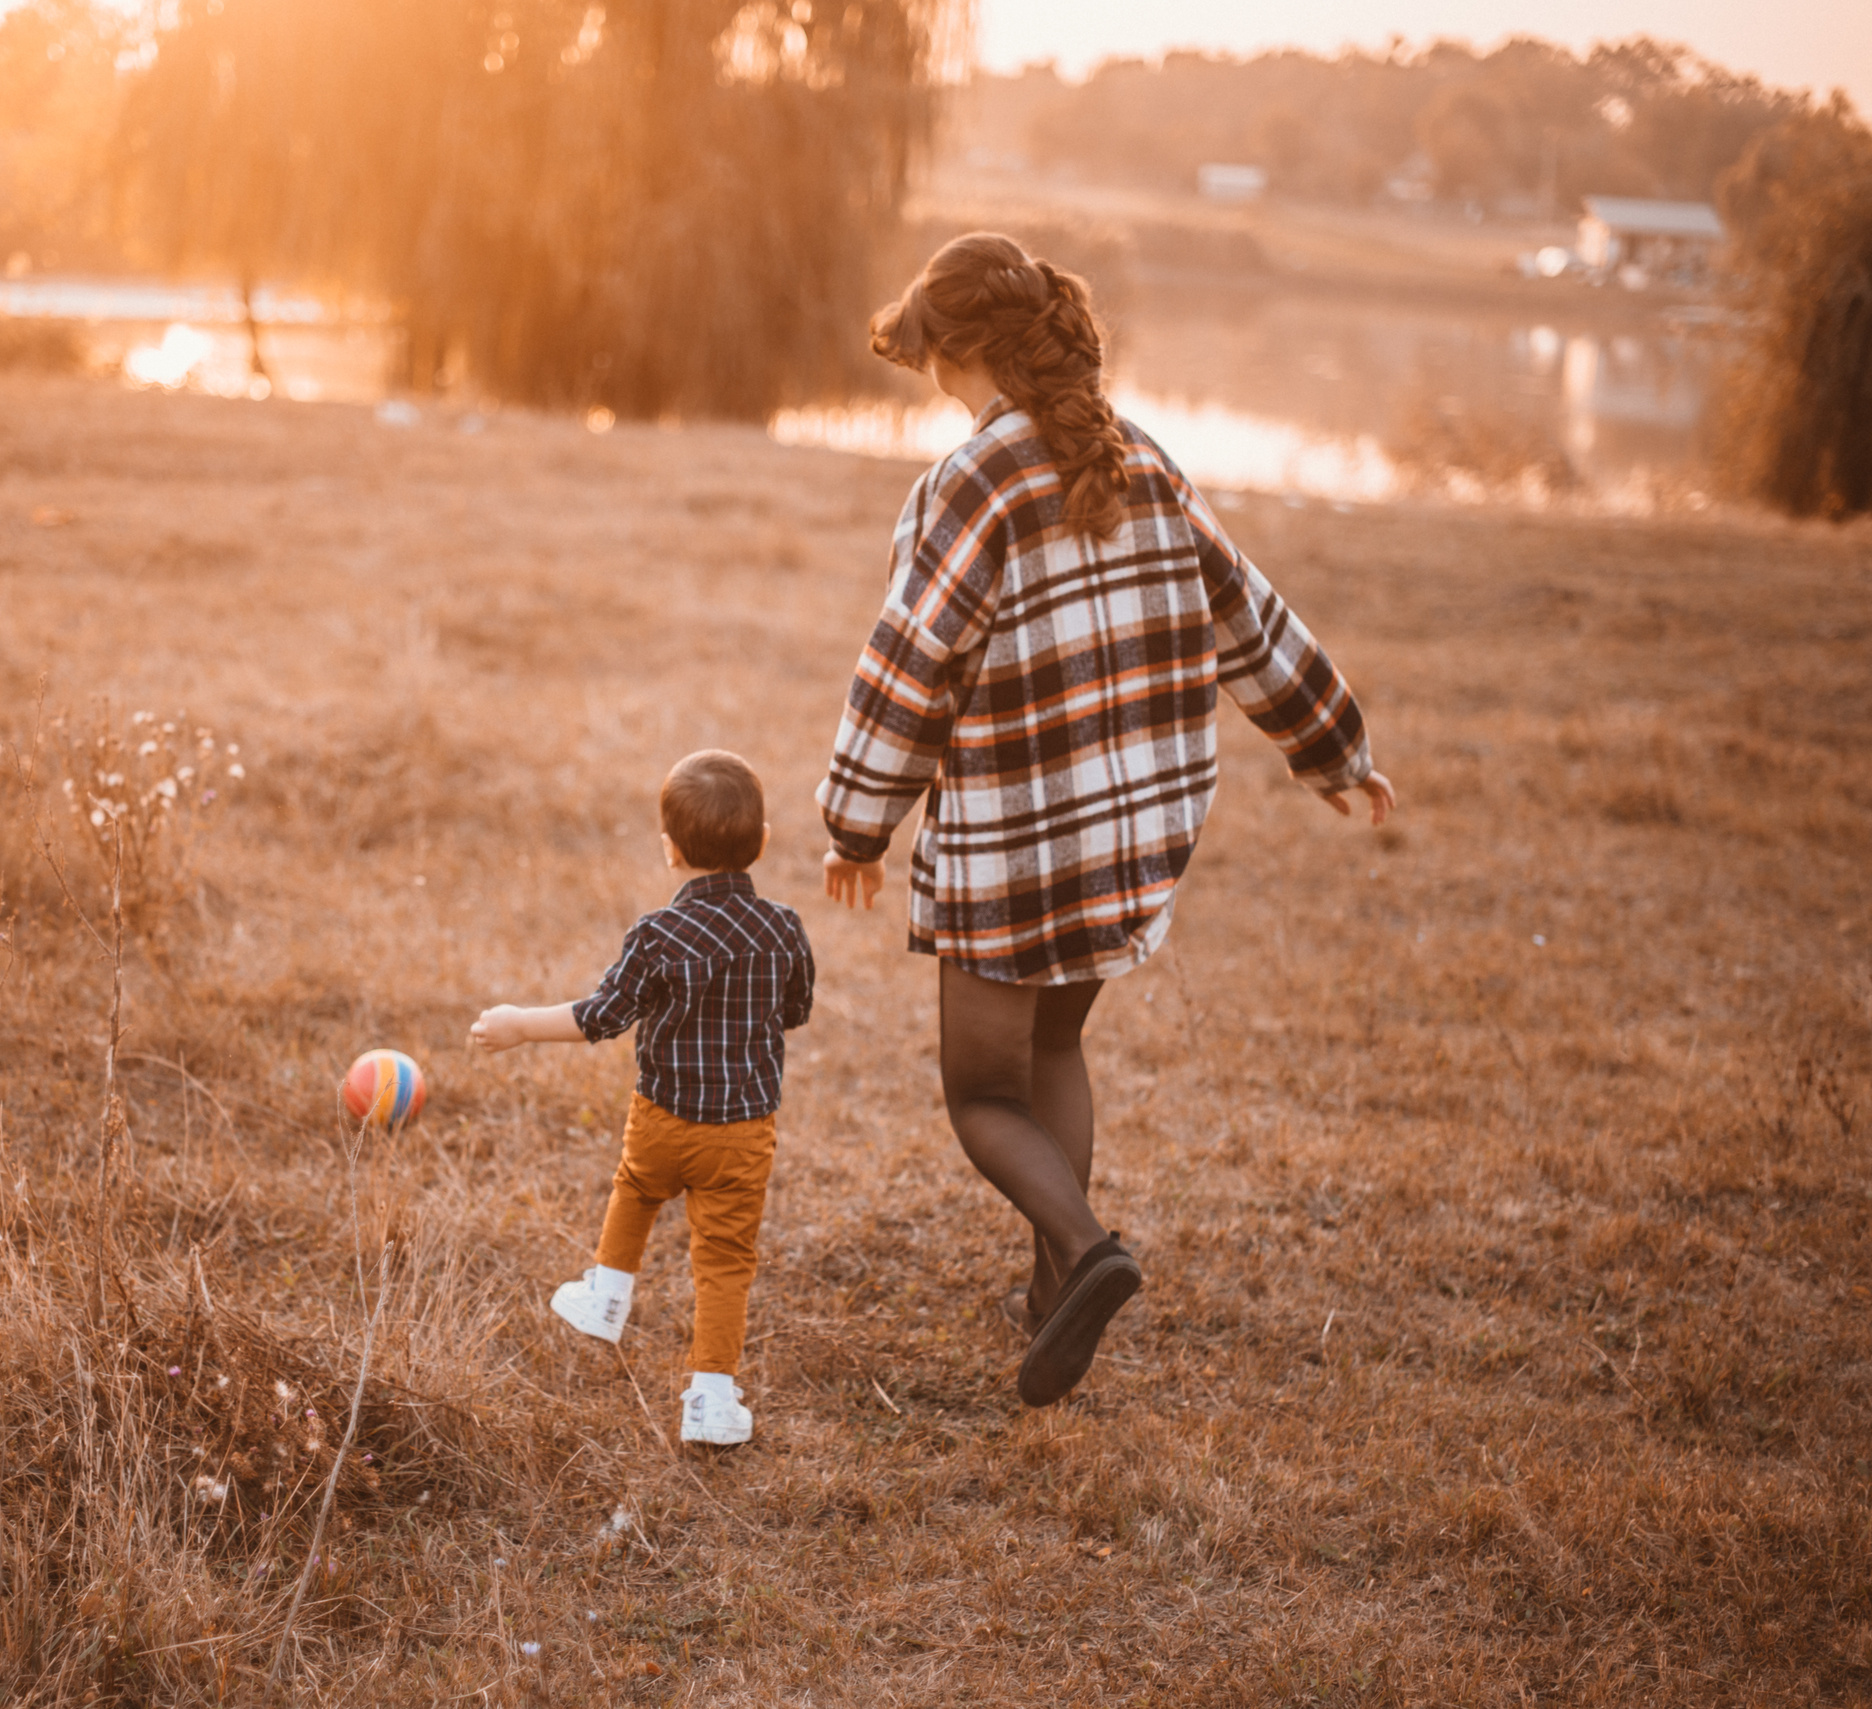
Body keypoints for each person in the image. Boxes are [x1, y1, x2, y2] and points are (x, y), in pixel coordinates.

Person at [817, 232, 1396, 1409]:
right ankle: (1049, 1302)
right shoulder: (1137, 453)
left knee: (980, 1090)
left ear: (958, 354)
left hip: (1021, 836)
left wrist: (855, 824)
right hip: (1125, 831)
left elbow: (912, 663)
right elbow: (1247, 608)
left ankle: (1084, 1253)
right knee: (1053, 1047)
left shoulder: (971, 481)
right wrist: (1330, 744)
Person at [470, 750, 815, 1446]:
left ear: (670, 851)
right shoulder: (784, 929)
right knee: (723, 1258)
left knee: (636, 1187)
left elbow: (600, 1015)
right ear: (765, 841)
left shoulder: (658, 934)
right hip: (741, 1131)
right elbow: (795, 1010)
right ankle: (712, 1397)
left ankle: (606, 1292)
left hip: (662, 1117)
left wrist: (519, 1025)